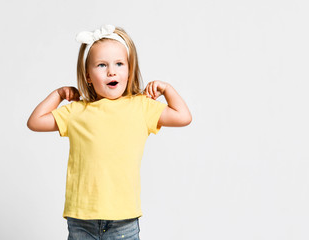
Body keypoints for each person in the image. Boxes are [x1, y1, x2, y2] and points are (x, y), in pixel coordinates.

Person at [27, 24, 191, 240]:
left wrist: (167, 89)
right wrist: (57, 95)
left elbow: (183, 117)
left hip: (124, 220)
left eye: (119, 64)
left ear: (130, 71)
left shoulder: (142, 107)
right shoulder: (77, 111)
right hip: (81, 218)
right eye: (102, 65)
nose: (111, 71)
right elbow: (35, 122)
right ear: (88, 76)